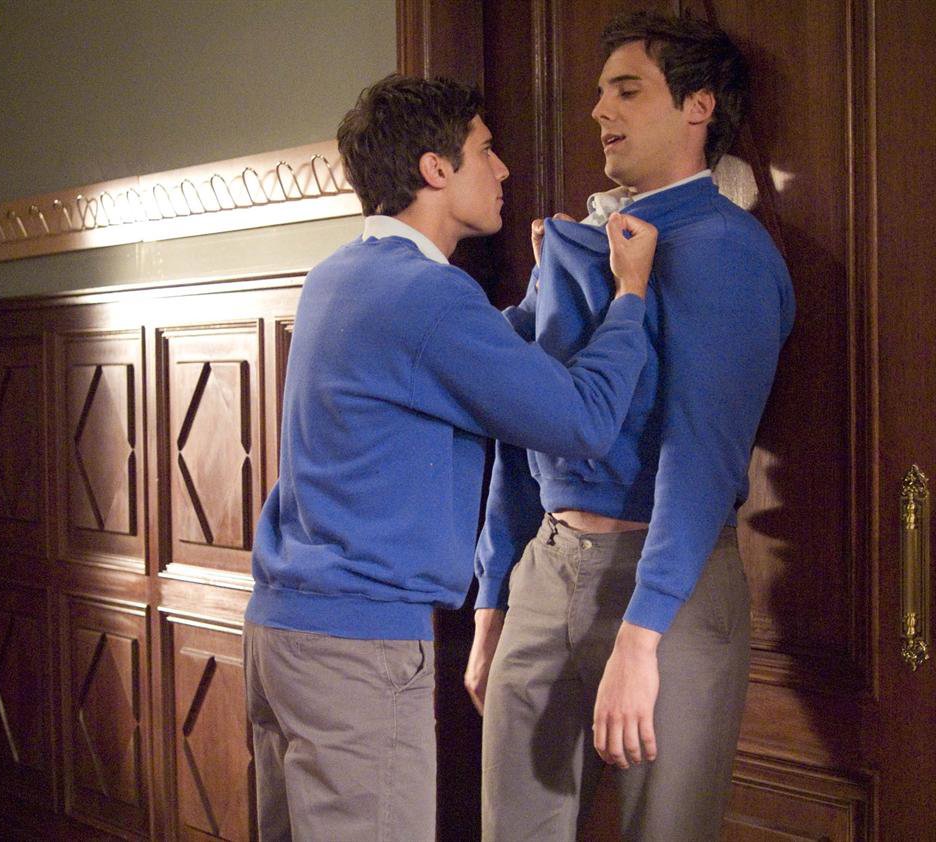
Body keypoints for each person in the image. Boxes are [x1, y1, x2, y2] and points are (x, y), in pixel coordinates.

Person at [243, 73, 658, 841]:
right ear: (435, 169)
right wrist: (630, 294)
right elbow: (584, 421)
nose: (503, 169)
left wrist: (546, 285)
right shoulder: (428, 298)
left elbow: (474, 357)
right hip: (357, 651)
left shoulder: (343, 276)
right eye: (485, 150)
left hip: (283, 636)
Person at [468, 11, 795, 841]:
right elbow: (522, 425)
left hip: (667, 585)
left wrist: (642, 639)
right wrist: (494, 598)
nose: (599, 110)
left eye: (627, 90)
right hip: (544, 570)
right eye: (600, 92)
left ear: (698, 107)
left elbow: (701, 454)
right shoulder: (577, 242)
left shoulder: (727, 250)